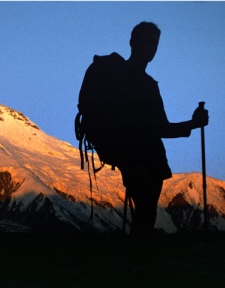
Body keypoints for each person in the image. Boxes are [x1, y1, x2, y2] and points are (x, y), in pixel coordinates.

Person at [79, 21, 209, 237]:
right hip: (137, 153)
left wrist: (192, 124)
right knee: (146, 208)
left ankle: (138, 255)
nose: (150, 48)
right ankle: (140, 255)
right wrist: (193, 125)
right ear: (132, 43)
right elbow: (162, 128)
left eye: (154, 44)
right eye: (146, 42)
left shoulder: (145, 84)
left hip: (135, 153)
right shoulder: (144, 84)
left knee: (145, 208)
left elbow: (161, 128)